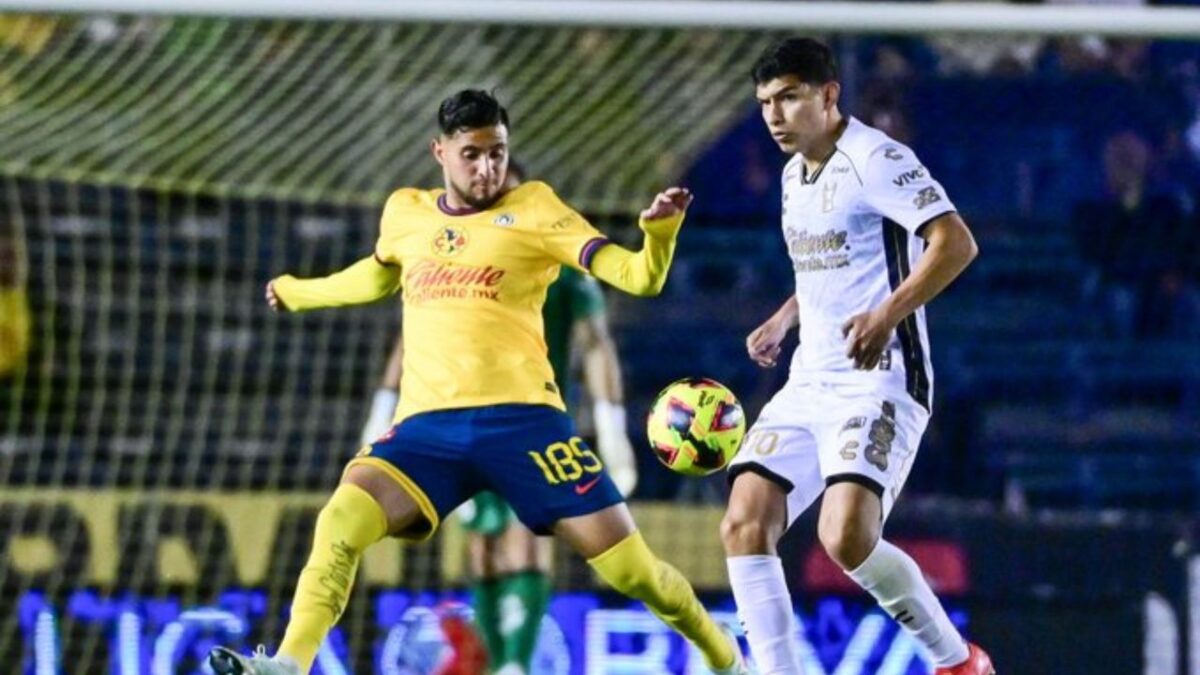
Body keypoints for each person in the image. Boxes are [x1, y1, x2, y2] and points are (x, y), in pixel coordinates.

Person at [210, 89, 744, 675]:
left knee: (633, 572)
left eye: (497, 153)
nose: (487, 168)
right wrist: (299, 291)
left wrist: (660, 236)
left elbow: (638, 278)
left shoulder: (536, 209)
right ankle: (290, 662)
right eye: (472, 154)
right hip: (426, 432)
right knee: (340, 520)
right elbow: (378, 277)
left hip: (525, 425)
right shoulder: (406, 212)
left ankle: (724, 657)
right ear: (440, 151)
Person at [718, 38, 993, 675]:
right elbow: (834, 262)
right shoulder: (793, 174)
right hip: (808, 378)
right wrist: (785, 318)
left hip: (880, 379)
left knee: (843, 537)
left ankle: (958, 662)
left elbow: (956, 243)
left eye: (789, 97)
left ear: (829, 94)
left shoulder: (877, 158)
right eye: (765, 102)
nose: (775, 115)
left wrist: (887, 315)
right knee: (743, 521)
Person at [358, 161, 638, 675]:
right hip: (457, 416)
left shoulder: (557, 256)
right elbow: (412, 336)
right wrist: (382, 413)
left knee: (528, 535)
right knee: (482, 546)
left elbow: (596, 345)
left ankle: (516, 664)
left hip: (532, 420)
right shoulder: (453, 252)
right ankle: (496, 663)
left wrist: (613, 428)